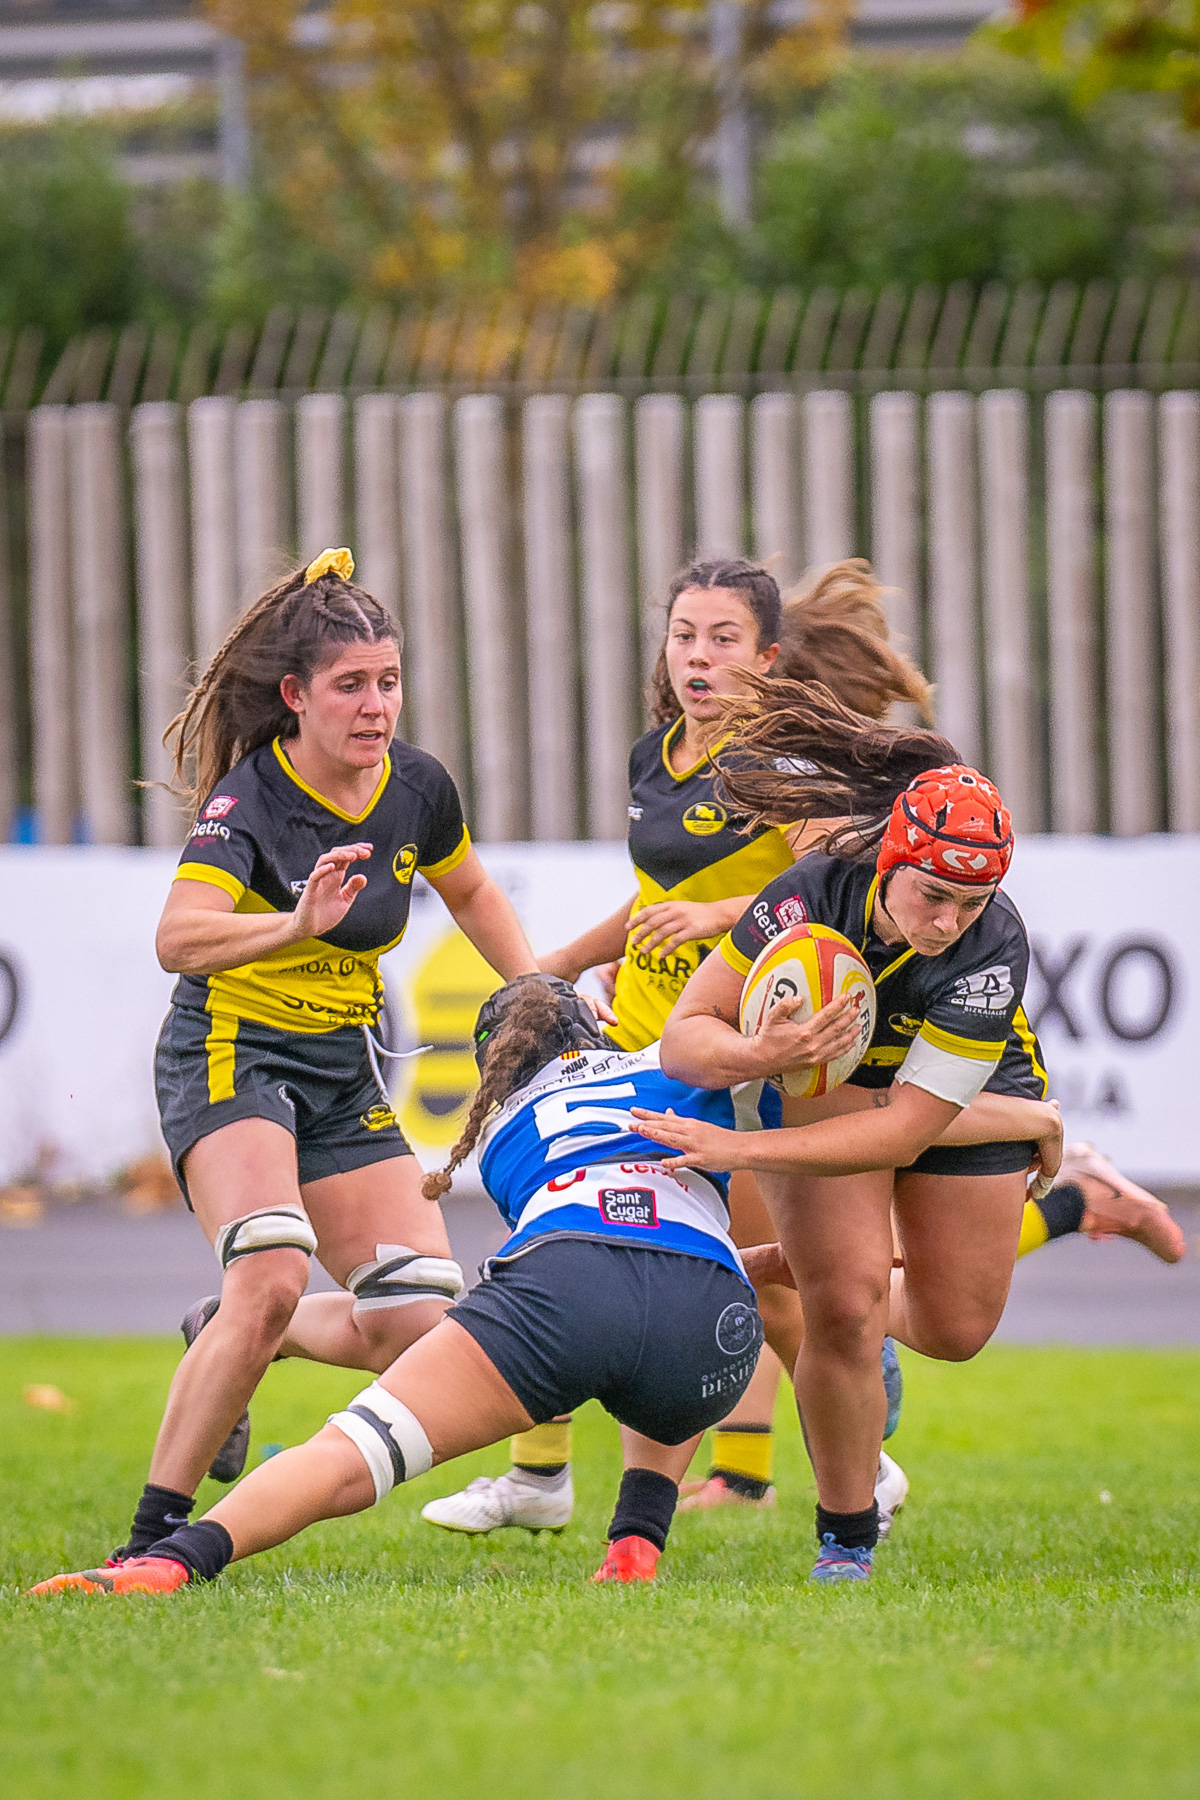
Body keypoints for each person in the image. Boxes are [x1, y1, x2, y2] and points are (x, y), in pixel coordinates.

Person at [422, 557, 931, 1536]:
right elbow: (656, 903)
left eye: (723, 638)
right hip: (634, 1039)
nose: (698, 656)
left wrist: (720, 912)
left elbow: (843, 886)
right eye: (684, 635)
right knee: (587, 1238)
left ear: (769, 656)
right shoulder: (655, 757)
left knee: (749, 1279)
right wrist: (562, 960)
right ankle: (542, 1477)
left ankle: (855, 1457)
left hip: (733, 1056)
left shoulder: (779, 765)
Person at [631, 682, 1184, 1582]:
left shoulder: (988, 943)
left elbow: (908, 1129)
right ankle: (846, 1542)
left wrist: (743, 1150)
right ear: (891, 860)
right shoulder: (808, 895)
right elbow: (686, 1042)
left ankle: (1065, 1184)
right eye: (933, 897)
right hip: (832, 1075)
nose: (947, 922)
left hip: (944, 1094)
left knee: (956, 1327)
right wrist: (757, 1050)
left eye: (972, 903)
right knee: (843, 1309)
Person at [31, 975, 799, 1599]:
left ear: (496, 1069)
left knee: (356, 1450)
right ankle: (635, 1544)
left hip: (571, 1284)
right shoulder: (680, 1061)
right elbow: (660, 1234)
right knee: (672, 1319)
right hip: (711, 1327)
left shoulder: (501, 1131)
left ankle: (172, 1561)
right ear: (596, 1028)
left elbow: (600, 1261)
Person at [105, 547, 551, 1570]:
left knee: (422, 1319)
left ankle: (228, 1331)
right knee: (274, 1268)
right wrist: (295, 924)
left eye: (389, 682)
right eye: (352, 686)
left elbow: (474, 891)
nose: (377, 706)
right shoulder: (249, 803)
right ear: (296, 696)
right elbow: (180, 940)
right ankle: (153, 1542)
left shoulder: (417, 789)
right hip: (231, 1053)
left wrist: (533, 994)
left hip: (339, 1069)